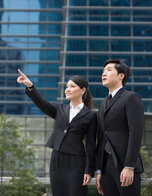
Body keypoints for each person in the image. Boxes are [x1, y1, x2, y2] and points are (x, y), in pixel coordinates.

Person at [17, 69, 97, 196]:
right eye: (66, 87)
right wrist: (30, 86)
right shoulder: (60, 109)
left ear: (83, 90)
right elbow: (43, 104)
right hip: (57, 160)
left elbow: (91, 145)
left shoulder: (90, 115)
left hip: (77, 162)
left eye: (72, 86)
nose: (68, 89)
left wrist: (89, 170)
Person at [96, 59, 144, 196]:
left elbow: (135, 133)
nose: (104, 74)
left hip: (124, 165)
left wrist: (129, 166)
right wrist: (99, 170)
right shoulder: (102, 104)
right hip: (106, 167)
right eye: (103, 71)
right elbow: (101, 137)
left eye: (109, 70)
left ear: (121, 75)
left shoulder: (131, 98)